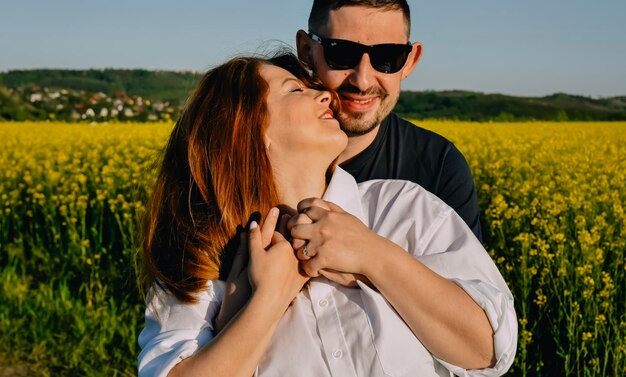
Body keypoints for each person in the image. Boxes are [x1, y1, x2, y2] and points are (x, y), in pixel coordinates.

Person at [137, 53, 517, 377]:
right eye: (296, 90)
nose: (325, 96)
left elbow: (488, 352)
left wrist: (373, 256)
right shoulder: (207, 257)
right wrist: (266, 300)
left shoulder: (404, 209)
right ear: (251, 131)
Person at [295, 0, 483, 242]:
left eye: (387, 57)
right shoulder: (256, 150)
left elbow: (468, 284)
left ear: (409, 61)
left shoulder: (437, 166)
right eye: (342, 53)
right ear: (306, 50)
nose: (362, 80)